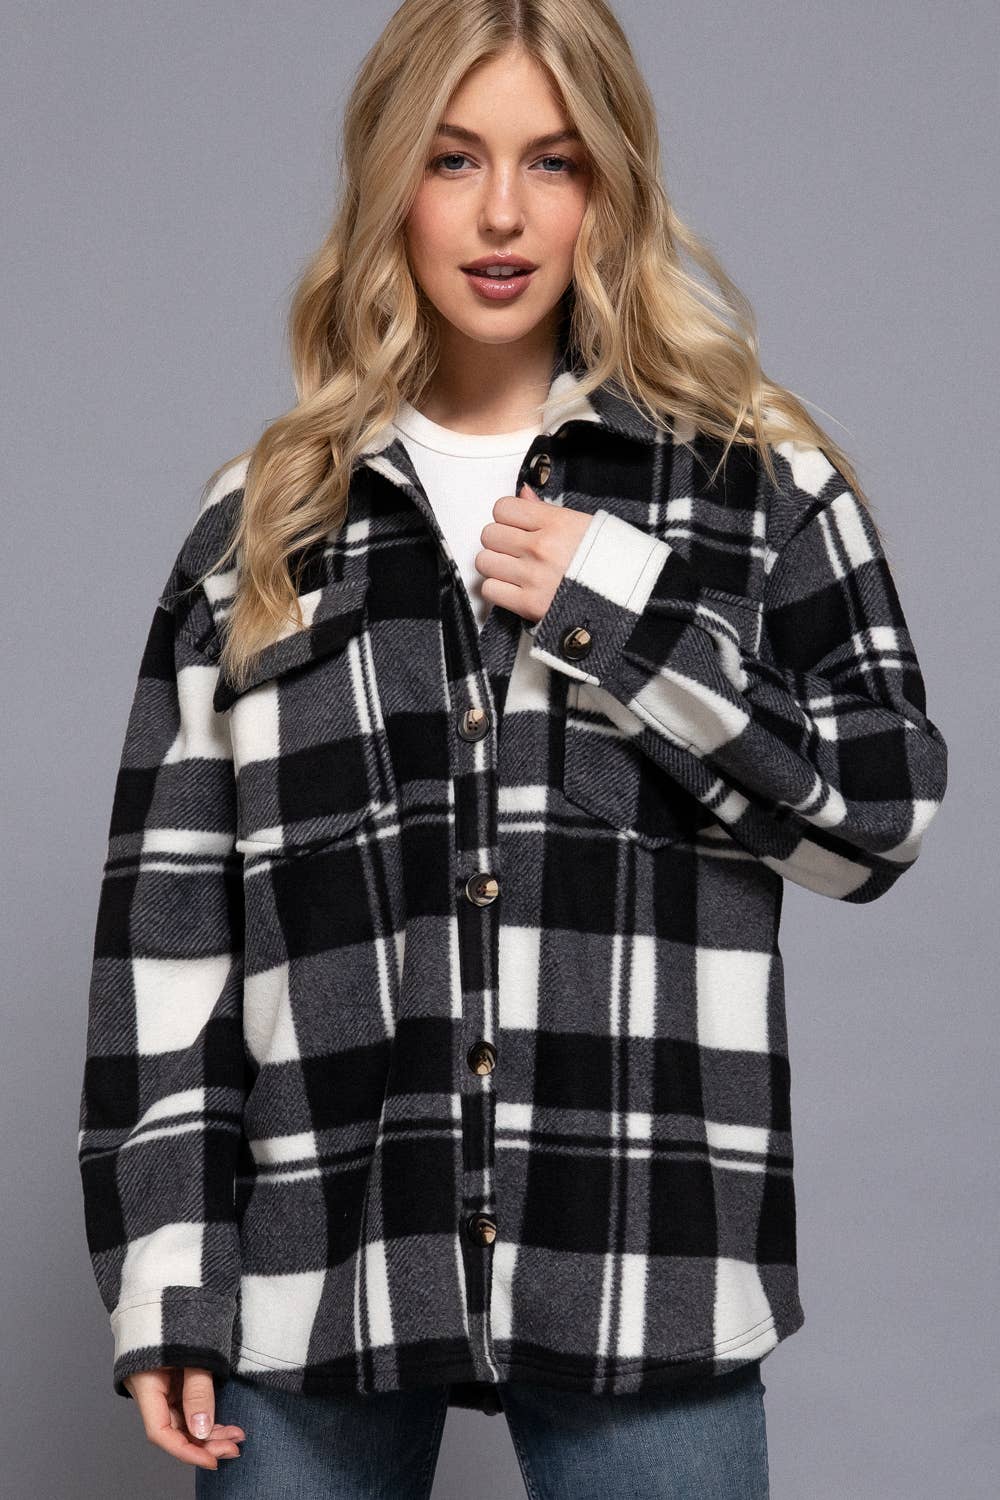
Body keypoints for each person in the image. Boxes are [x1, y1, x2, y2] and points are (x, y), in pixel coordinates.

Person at [76, 1, 949, 1495]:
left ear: (611, 183)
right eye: (452, 157)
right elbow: (173, 930)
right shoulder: (263, 522)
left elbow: (883, 814)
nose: (501, 214)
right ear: (389, 184)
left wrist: (629, 618)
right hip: (315, 1270)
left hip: (645, 1260)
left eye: (553, 161)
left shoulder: (753, 486)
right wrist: (167, 1282)